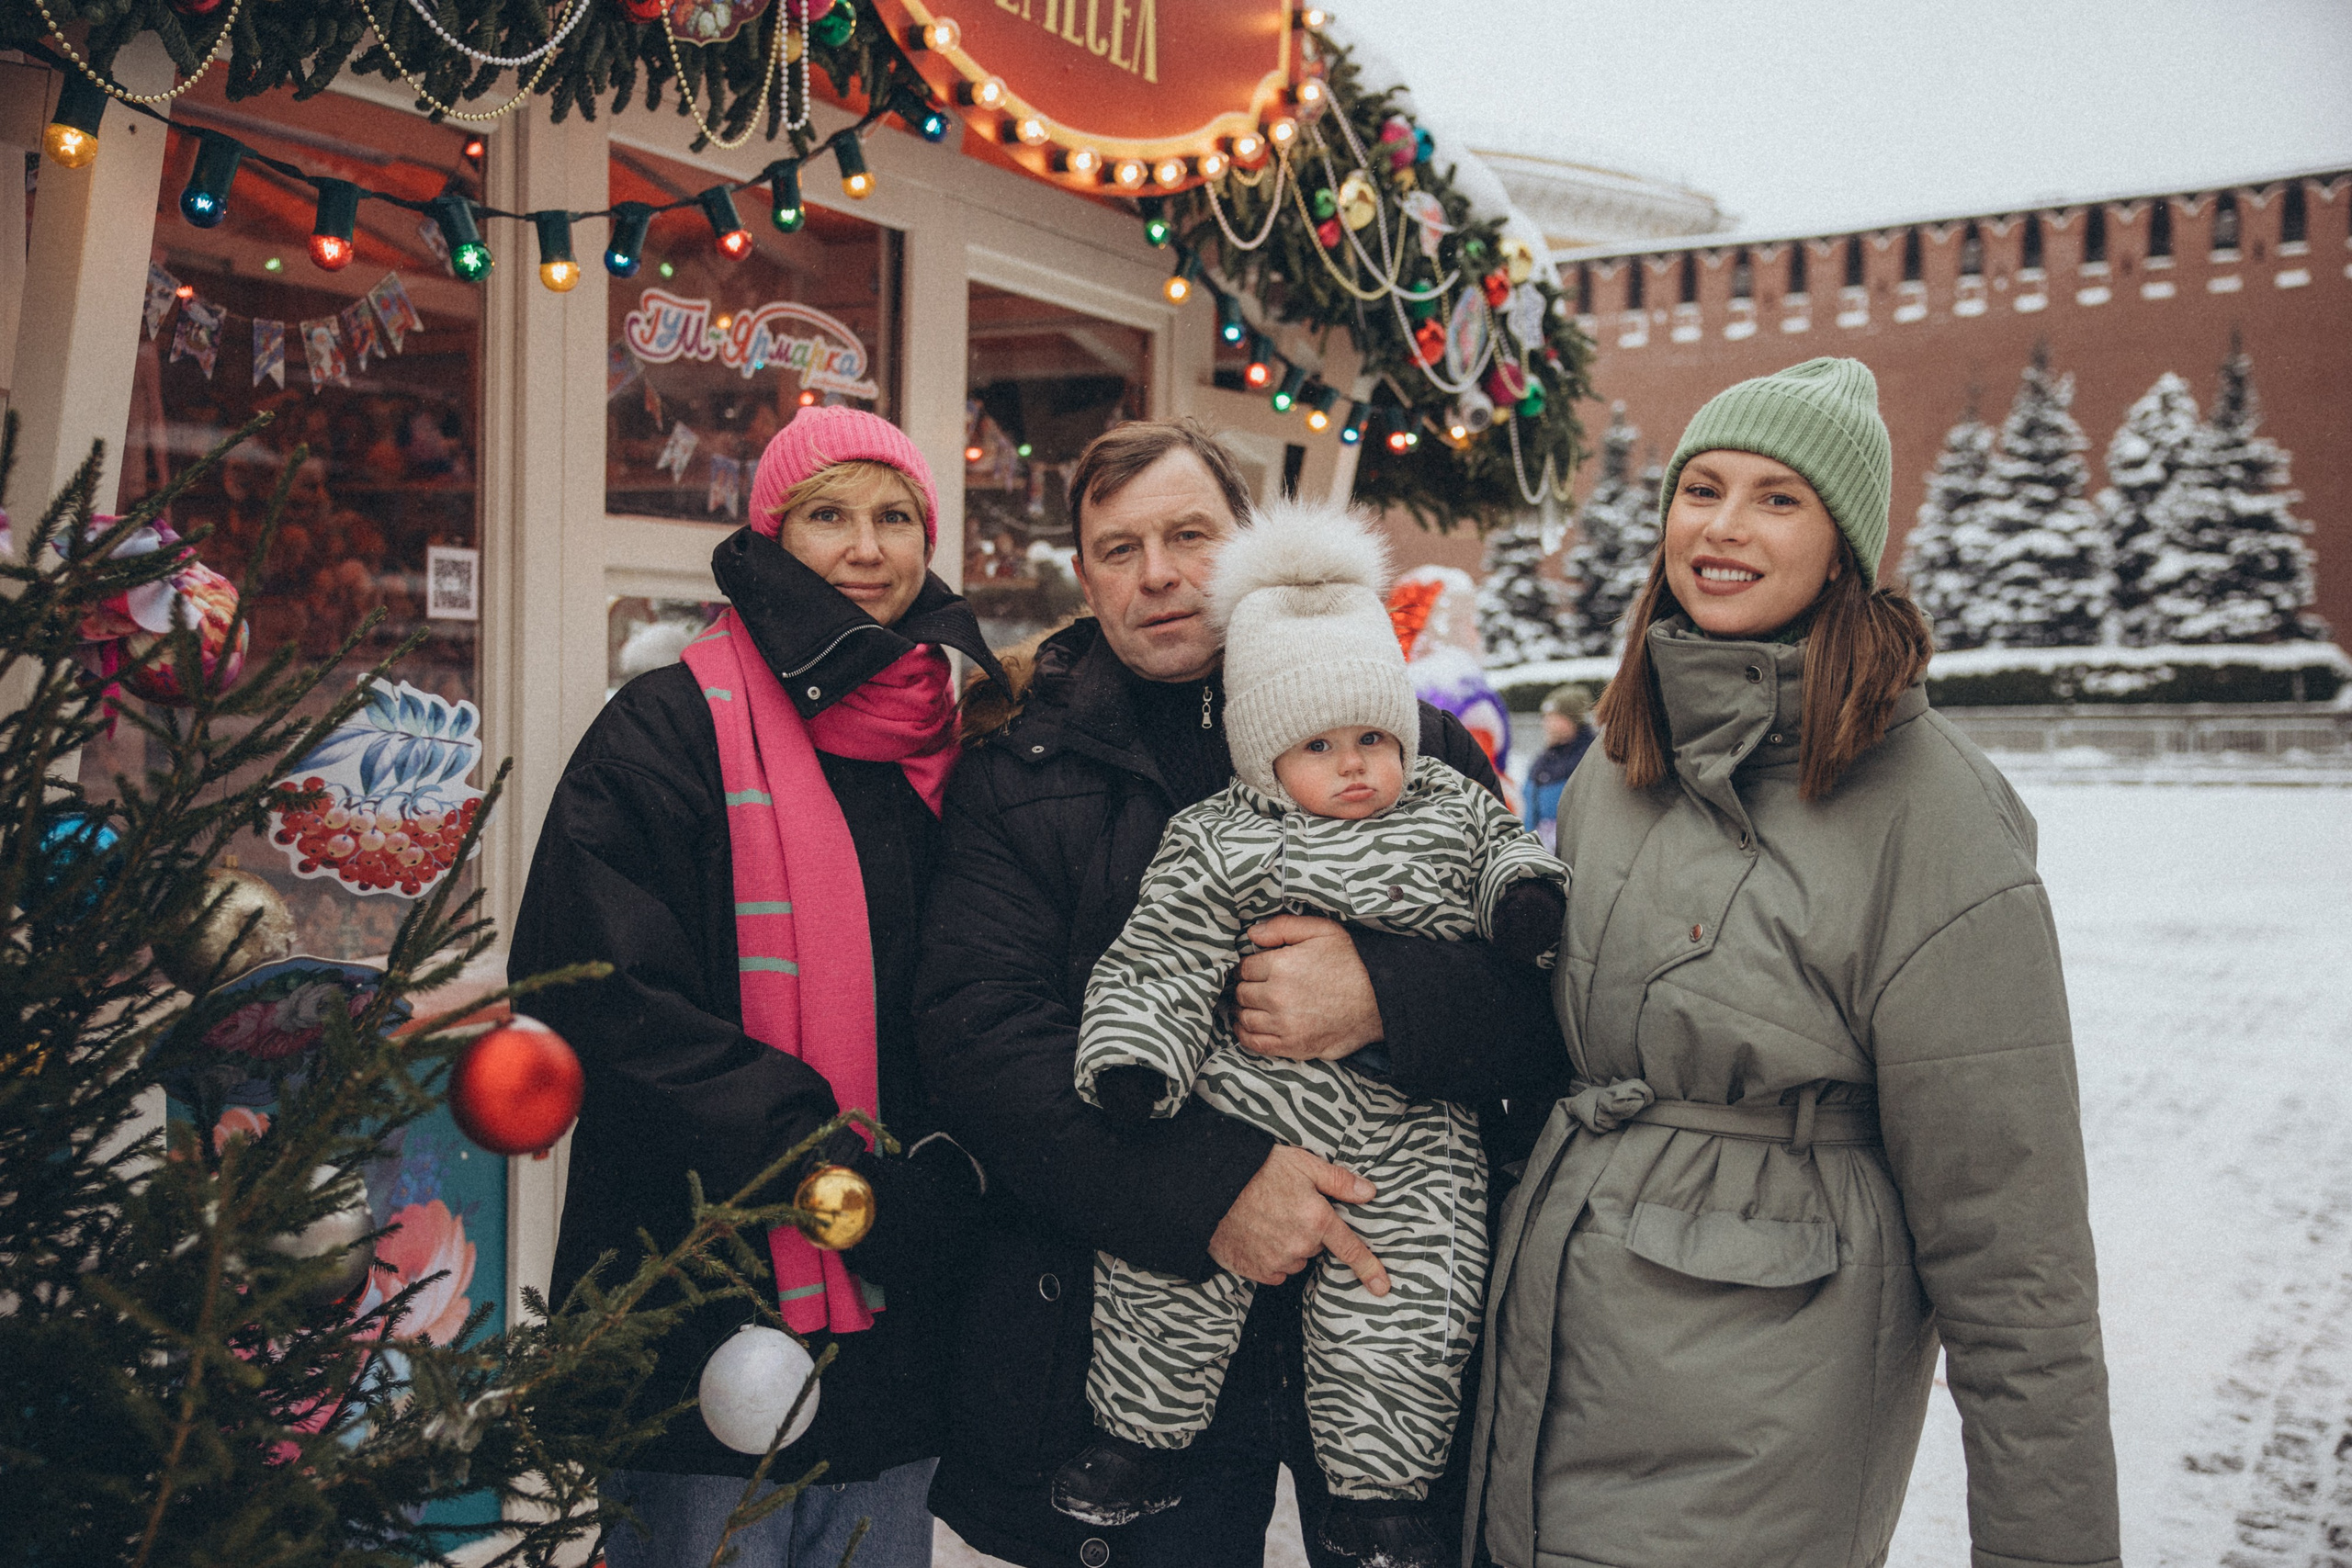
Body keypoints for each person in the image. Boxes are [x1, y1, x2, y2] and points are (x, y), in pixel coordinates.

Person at [1466, 358, 2120, 1568]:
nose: (1721, 525)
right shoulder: (1620, 764)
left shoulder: (1935, 815)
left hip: (1766, 1412)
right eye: (1701, 487)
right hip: (1551, 1354)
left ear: (1843, 552)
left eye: (1778, 498)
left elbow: (2014, 1253)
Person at [913, 420, 1566, 1568]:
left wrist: (1379, 1000)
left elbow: (1549, 1010)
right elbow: (979, 1037)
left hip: (1394, 1329)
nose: (1156, 573)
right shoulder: (1020, 772)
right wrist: (1213, 1186)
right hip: (1111, 1342)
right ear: (1086, 576)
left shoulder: (1411, 749)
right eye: (1119, 549)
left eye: (1188, 535)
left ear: (1249, 544)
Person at [509, 406, 1007, 1568]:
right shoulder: (666, 729)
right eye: (828, 515)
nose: (867, 549)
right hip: (707, 1271)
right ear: (770, 536)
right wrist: (834, 1177)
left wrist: (941, 1199)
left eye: (895, 518)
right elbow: (602, 992)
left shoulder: (956, 743)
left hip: (908, 1283)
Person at [1518, 683, 1594, 852]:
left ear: (1572, 720)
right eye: (1545, 717)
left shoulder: (1590, 756)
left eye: (1555, 717)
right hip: (1540, 850)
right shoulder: (1543, 760)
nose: (1547, 723)